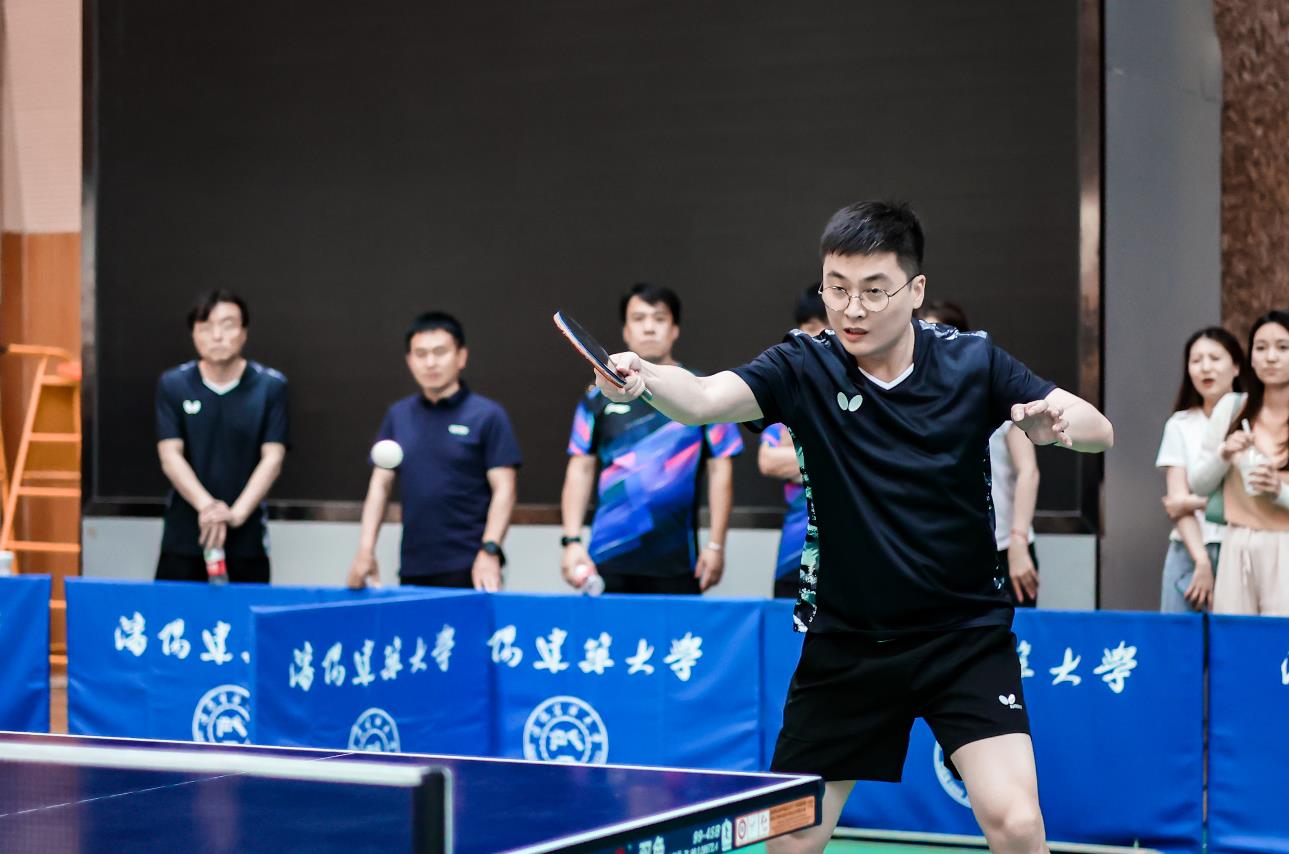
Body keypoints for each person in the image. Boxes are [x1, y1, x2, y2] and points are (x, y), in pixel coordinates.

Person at [591, 201, 1112, 854]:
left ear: (915, 290)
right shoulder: (802, 366)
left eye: (872, 290)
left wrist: (1055, 427)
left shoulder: (972, 361)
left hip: (962, 637)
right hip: (847, 643)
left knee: (1016, 822)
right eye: (836, 289)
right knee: (789, 840)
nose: (851, 309)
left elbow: (1098, 430)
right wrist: (641, 378)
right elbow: (702, 399)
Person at [559, 283, 743, 594]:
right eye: (638, 318)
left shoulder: (702, 392)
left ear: (675, 329)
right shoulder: (597, 398)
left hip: (677, 560)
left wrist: (716, 545)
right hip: (607, 557)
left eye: (659, 319)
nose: (648, 327)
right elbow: (581, 468)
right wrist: (572, 540)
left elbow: (720, 470)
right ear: (626, 330)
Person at [347, 312, 521, 591]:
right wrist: (365, 550)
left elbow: (505, 490)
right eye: (421, 354)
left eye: (440, 352)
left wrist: (490, 550)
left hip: (473, 567)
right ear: (409, 360)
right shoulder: (398, 415)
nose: (430, 362)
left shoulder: (488, 415)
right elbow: (380, 486)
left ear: (461, 356)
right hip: (413, 566)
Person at [155, 290, 288, 583]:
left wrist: (235, 514)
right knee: (176, 610)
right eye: (206, 327)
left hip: (246, 535)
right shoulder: (174, 384)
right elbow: (170, 455)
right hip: (186, 534)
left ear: (244, 332)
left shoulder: (270, 387)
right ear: (194, 334)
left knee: (245, 610)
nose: (217, 336)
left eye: (228, 325)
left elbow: (273, 458)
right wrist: (207, 507)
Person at [920, 302, 1041, 608]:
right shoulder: (917, 399)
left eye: (942, 333)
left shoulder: (992, 389)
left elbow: (1028, 471)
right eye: (925, 333)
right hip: (945, 551)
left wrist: (1018, 542)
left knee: (1014, 632)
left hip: (1005, 545)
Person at [1189, 311, 1289, 616]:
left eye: (1282, 347)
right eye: (1261, 348)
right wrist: (1224, 454)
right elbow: (1199, 484)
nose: (1270, 357)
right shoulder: (1232, 408)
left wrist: (1279, 490)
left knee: (1281, 640)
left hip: (1284, 544)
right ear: (1251, 358)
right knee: (1235, 637)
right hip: (1236, 542)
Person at [1154, 327, 1243, 612]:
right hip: (1188, 551)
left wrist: (1191, 502)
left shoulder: (1255, 421)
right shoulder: (1180, 424)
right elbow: (1176, 504)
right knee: (1178, 638)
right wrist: (1202, 562)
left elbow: (1253, 499)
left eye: (1215, 358)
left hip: (1240, 549)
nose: (1205, 367)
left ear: (1237, 366)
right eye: (1196, 360)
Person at [759, 285, 828, 598]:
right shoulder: (788, 393)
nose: (821, 337)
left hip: (852, 555)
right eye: (812, 327)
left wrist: (799, 455)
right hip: (795, 553)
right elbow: (769, 460)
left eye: (829, 326)